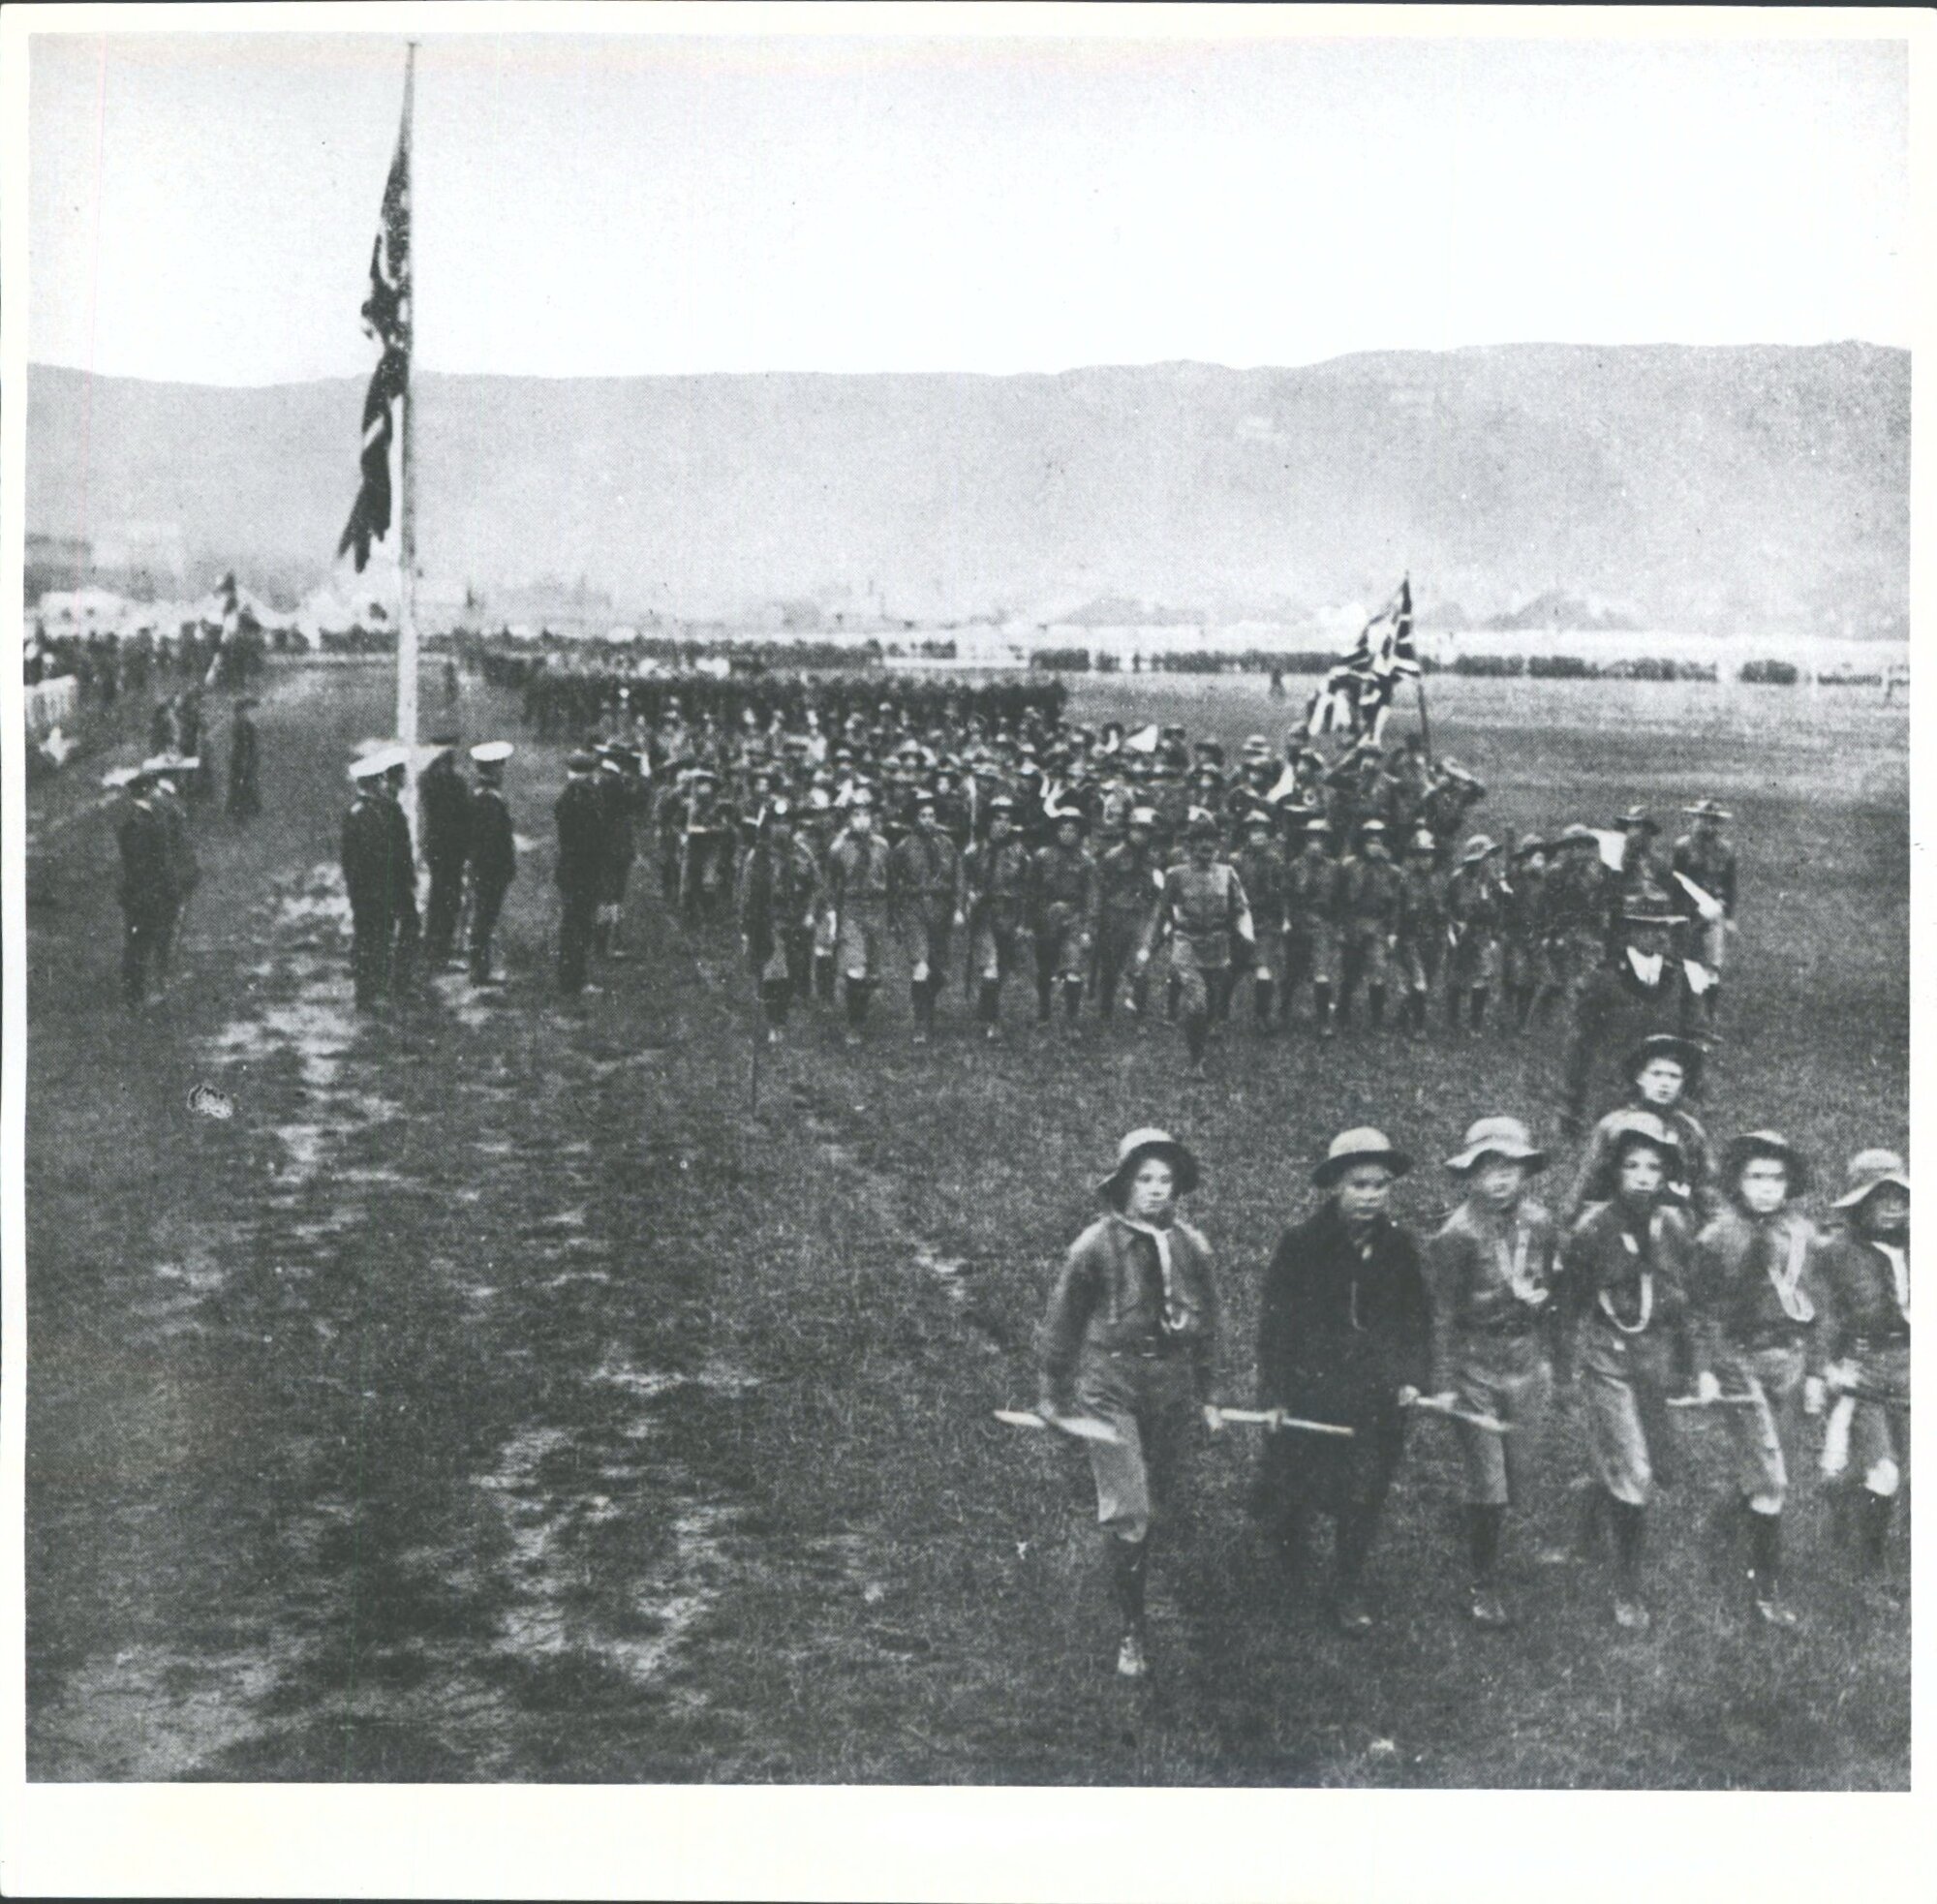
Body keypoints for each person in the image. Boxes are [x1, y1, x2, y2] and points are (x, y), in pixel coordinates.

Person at [1035, 1128, 1223, 1680]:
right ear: (1123, 1185)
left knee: (1159, 1496)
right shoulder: (1093, 1247)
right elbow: (1063, 1323)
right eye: (1145, 1179)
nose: (1157, 1191)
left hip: (1170, 1385)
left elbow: (1211, 1326)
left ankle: (1136, 1578)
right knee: (1130, 1509)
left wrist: (1210, 1394)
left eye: (1166, 1180)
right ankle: (1132, 1628)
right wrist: (1051, 1392)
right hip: (1109, 1384)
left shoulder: (1192, 1247)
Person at [1255, 1127, 1430, 1634]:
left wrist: (1411, 1378)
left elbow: (1416, 1320)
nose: (1371, 1195)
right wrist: (1275, 1394)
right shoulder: (1303, 1246)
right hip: (1313, 1389)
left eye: (1380, 1185)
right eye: (1359, 1185)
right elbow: (1276, 1327)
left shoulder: (1398, 1247)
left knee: (1365, 1490)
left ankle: (1347, 1583)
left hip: (1376, 1396)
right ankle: (1290, 1550)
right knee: (1297, 1482)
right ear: (1335, 1186)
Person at [1423, 1117, 1565, 1628]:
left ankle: (1485, 1526)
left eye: (1512, 1168)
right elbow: (1439, 1314)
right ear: (1472, 1174)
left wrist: (1548, 1332)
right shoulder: (1456, 1235)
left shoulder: (1542, 1222)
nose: (1502, 1179)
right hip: (1475, 1365)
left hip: (1526, 1360)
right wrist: (1442, 1383)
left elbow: (1550, 1285)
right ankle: (1482, 1580)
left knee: (1519, 1472)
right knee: (1490, 1480)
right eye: (1490, 1169)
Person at [1557, 1115, 1696, 1633]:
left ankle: (1583, 1535)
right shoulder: (1593, 1229)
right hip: (1606, 1356)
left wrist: (1687, 1363)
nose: (1642, 1176)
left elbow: (1687, 1300)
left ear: (1665, 1176)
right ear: (1614, 1172)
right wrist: (1563, 1374)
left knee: (1645, 1460)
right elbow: (1567, 1305)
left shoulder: (1675, 1226)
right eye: (1631, 1166)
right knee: (1634, 1471)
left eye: (1653, 1167)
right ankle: (1627, 1587)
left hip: (1653, 1357)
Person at [1690, 1130, 1829, 1627]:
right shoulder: (1718, 1236)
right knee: (1771, 1478)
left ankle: (1720, 1532)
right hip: (1738, 1359)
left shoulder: (1805, 1236)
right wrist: (1707, 1368)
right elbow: (1702, 1310)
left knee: (1774, 1464)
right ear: (1736, 1181)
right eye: (1755, 1177)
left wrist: (1815, 1372)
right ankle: (1766, 1591)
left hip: (1788, 1360)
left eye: (1777, 1178)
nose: (1767, 1187)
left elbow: (1819, 1310)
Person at [1816, 1148, 1910, 1591]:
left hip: (1911, 1364)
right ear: (1858, 1203)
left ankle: (1845, 1493)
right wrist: (1828, 1367)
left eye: (1901, 1199)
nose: (1893, 1208)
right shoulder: (1837, 1252)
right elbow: (1824, 1314)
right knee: (1884, 1469)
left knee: (1909, 1465)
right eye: (1881, 1199)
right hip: (1863, 1365)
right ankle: (1872, 1568)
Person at [1559, 894, 1699, 1137]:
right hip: (1616, 1094)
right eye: (1650, 927)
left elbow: (1693, 1033)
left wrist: (1695, 1090)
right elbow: (1580, 1042)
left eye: (1664, 927)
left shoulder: (1677, 977)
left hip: (1664, 1095)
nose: (1661, 935)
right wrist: (1572, 1101)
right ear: (1631, 931)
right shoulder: (1605, 978)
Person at [1139, 812, 1252, 1073]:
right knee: (1197, 1004)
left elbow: (1241, 907)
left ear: (1217, 845)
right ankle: (1196, 1061)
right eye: (1200, 841)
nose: (1206, 847)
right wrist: (1147, 947)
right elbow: (1160, 912)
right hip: (1187, 941)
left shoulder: (1227, 873)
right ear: (1189, 846)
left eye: (1211, 840)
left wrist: (1246, 933)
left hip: (1218, 944)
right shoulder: (1176, 875)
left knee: (1211, 1004)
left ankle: (1200, 1045)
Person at [1562, 1034, 1716, 1225]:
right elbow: (1588, 1185)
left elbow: (1706, 1190)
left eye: (1674, 1076)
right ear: (1640, 1077)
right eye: (1656, 1074)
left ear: (1682, 1083)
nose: (1665, 1083)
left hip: (1672, 1228)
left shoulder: (1690, 1131)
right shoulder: (1614, 1125)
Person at [341, 747, 417, 1010]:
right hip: (368, 890)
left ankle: (374, 989)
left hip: (372, 889)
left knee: (378, 939)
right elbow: (357, 858)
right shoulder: (362, 814)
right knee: (370, 940)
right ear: (372, 783)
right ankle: (366, 993)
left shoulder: (370, 811)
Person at [739, 796, 821, 1040]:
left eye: (786, 822)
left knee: (793, 972)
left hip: (795, 919)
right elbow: (746, 895)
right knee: (775, 970)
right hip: (768, 920)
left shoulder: (803, 853)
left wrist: (810, 913)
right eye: (776, 823)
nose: (781, 828)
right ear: (767, 826)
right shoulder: (758, 857)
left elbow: (816, 886)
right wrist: (746, 928)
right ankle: (775, 1022)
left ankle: (780, 1015)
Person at [887, 790, 963, 1044]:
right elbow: (893, 882)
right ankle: (921, 1023)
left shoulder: (947, 844)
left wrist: (959, 908)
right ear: (915, 819)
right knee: (921, 966)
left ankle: (927, 1003)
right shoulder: (904, 846)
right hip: (914, 908)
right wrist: (896, 916)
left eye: (932, 815)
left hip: (941, 910)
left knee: (939, 971)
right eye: (923, 816)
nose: (928, 820)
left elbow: (957, 879)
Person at [825, 789, 895, 1046]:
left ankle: (861, 1017)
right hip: (852, 909)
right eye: (856, 815)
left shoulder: (883, 847)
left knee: (871, 974)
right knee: (855, 969)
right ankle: (853, 1026)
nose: (862, 821)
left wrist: (893, 916)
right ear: (848, 819)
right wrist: (833, 917)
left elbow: (891, 881)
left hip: (877, 909)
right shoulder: (839, 849)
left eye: (866, 815)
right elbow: (831, 886)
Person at [962, 794, 1033, 1039]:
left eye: (1007, 820)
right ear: (988, 822)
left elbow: (1027, 889)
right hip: (984, 914)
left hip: (1009, 915)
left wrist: (1024, 922)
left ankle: (987, 1006)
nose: (1002, 825)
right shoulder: (974, 852)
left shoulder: (1020, 854)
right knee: (990, 965)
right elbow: (964, 882)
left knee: (1001, 968)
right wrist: (970, 897)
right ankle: (993, 1022)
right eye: (997, 819)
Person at [108, 764, 172, 1007]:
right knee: (144, 942)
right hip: (148, 891)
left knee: (134, 941)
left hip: (133, 891)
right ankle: (137, 995)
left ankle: (133, 992)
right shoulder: (149, 823)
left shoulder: (130, 821)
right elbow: (157, 861)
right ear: (147, 791)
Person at [1671, 799, 1738, 1022]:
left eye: (1713, 821)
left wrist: (1729, 916)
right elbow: (1676, 881)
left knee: (1712, 963)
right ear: (1695, 820)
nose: (1708, 825)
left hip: (1714, 911)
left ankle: (1709, 1012)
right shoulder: (1683, 847)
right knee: (1687, 959)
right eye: (1704, 820)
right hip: (1691, 911)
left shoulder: (1727, 851)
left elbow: (1730, 885)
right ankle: (1686, 1009)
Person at [1030, 810, 1098, 1029]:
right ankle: (1044, 1010)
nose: (1067, 834)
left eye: (1072, 830)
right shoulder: (1042, 857)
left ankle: (1071, 1018)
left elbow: (1092, 897)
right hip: (1047, 915)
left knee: (1073, 967)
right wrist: (1030, 922)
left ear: (1079, 834)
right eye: (1063, 829)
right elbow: (1031, 891)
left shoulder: (1087, 861)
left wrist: (1087, 928)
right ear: (1056, 831)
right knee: (1045, 967)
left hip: (1075, 916)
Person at [1335, 817, 1404, 1033]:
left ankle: (1376, 1020)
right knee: (1350, 971)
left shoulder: (1392, 871)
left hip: (1378, 925)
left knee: (1378, 970)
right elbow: (1338, 900)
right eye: (1370, 841)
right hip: (1353, 923)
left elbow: (1395, 905)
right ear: (1362, 842)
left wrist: (1392, 931)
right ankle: (1342, 1011)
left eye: (1379, 841)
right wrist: (1340, 927)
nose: (1375, 846)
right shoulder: (1348, 866)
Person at [1094, 806, 1163, 1023]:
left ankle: (1139, 1015)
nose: (1141, 835)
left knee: (1140, 967)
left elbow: (1158, 889)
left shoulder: (1154, 858)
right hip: (1116, 916)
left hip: (1141, 917)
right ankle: (1105, 1011)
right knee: (1110, 967)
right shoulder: (1113, 857)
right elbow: (1101, 888)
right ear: (1128, 830)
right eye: (1137, 830)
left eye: (1147, 831)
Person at [1281, 815, 1342, 1035]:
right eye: (1312, 840)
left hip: (1322, 926)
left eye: (1321, 841)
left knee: (1321, 972)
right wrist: (1287, 920)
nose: (1316, 845)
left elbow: (1340, 900)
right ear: (1305, 842)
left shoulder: (1335, 869)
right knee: (1292, 972)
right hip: (1298, 924)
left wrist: (1336, 926)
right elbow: (1286, 897)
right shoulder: (1295, 867)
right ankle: (1284, 1009)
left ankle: (1323, 1021)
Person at [553, 750, 605, 998]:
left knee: (570, 924)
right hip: (585, 870)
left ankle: (568, 977)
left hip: (569, 869)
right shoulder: (587, 798)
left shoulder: (566, 797)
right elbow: (594, 837)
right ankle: (576, 979)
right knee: (580, 926)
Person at [464, 743, 517, 987]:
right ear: (495, 770)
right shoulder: (490, 802)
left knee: (482, 918)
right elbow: (494, 841)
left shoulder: (478, 798)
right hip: (490, 870)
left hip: (482, 868)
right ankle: (478, 970)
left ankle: (479, 966)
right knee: (484, 919)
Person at [1232, 809, 1289, 1030]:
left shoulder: (1275, 861)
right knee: (1230, 970)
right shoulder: (1235, 860)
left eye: (1263, 833)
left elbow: (1282, 892)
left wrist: (1284, 918)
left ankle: (1261, 1016)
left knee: (1263, 969)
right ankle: (1218, 1014)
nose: (1258, 837)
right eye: (1254, 833)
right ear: (1246, 835)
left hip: (1265, 921)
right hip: (1239, 919)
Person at [419, 736, 473, 968]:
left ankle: (434, 943)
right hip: (452, 847)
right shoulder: (454, 783)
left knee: (438, 894)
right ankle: (442, 947)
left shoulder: (427, 779)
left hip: (435, 845)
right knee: (449, 897)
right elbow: (463, 814)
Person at [1445, 835, 1506, 1033]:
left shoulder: (1491, 882)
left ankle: (1475, 1024)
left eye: (1490, 858)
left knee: (1483, 975)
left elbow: (1498, 910)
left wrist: (1495, 935)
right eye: (1485, 858)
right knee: (1457, 977)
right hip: (1461, 933)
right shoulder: (1457, 879)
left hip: (1482, 933)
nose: (1489, 862)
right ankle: (1452, 1019)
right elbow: (1447, 907)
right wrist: (1454, 926)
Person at [1394, 826, 1447, 1040]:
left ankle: (1403, 1014)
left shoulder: (1439, 881)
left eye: (1429, 856)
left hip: (1433, 940)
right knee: (1420, 984)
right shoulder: (1405, 881)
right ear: (1414, 858)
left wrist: (1447, 929)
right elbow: (1398, 910)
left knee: (1427, 983)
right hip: (1411, 939)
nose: (1426, 860)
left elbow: (1446, 910)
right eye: (1421, 856)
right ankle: (1419, 1028)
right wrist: (1394, 934)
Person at [226, 696, 261, 822]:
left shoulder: (240, 723)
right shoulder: (243, 724)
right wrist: (246, 759)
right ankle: (241, 812)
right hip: (242, 757)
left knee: (242, 782)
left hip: (240, 757)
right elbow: (245, 744)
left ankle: (244, 808)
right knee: (243, 783)